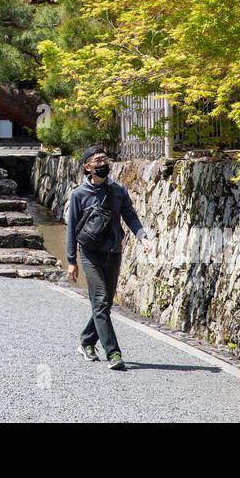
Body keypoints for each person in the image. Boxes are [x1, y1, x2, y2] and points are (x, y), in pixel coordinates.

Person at [65, 145, 152, 371]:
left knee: (105, 304)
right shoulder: (79, 195)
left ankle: (86, 341)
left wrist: (142, 237)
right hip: (90, 255)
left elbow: (130, 217)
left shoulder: (118, 191)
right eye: (97, 161)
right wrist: (71, 261)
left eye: (104, 159)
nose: (103, 164)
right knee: (101, 301)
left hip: (114, 252)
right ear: (87, 167)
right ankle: (113, 352)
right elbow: (72, 229)